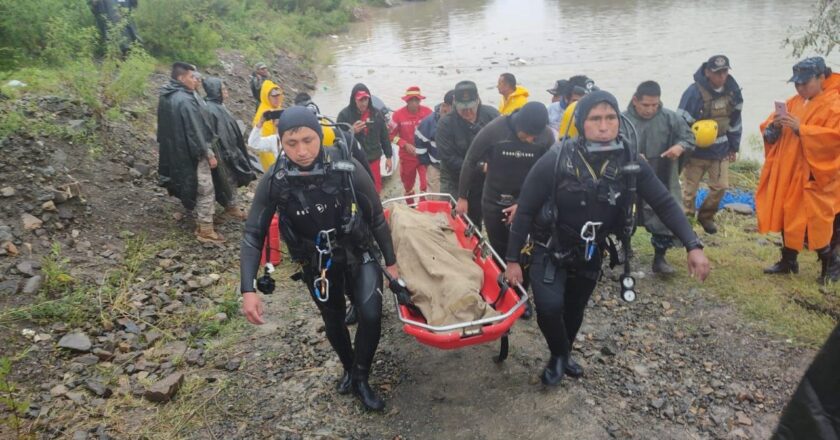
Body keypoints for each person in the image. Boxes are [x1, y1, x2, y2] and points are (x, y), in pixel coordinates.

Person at [504, 91, 710, 386]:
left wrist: (693, 245)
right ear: (580, 124)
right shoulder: (556, 160)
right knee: (549, 308)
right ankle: (559, 354)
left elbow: (664, 202)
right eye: (595, 119)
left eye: (610, 118)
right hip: (550, 247)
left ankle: (562, 354)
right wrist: (512, 259)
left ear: (620, 120)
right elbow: (524, 211)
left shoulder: (631, 162)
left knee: (575, 309)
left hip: (590, 249)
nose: (604, 126)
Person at [240, 107, 400, 411]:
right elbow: (252, 234)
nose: (302, 151)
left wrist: (390, 262)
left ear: (319, 135)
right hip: (317, 263)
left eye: (308, 140)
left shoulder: (345, 167)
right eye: (292, 143)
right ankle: (349, 368)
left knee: (370, 315)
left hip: (357, 251)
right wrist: (247, 289)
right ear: (281, 142)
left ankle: (362, 378)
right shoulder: (276, 180)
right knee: (334, 320)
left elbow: (376, 216)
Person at [455, 102, 555, 319]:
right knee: (500, 250)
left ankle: (521, 297)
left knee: (524, 251)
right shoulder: (495, 130)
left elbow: (551, 174)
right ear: (518, 124)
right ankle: (506, 293)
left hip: (527, 202)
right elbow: (470, 160)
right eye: (526, 135)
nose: (530, 140)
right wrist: (463, 197)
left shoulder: (545, 136)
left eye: (533, 137)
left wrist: (524, 204)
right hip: (494, 200)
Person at [757, 57, 840, 284]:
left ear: (822, 77)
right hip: (790, 171)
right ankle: (789, 261)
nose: (800, 88)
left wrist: (802, 130)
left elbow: (834, 140)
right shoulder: (794, 101)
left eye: (805, 83)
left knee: (818, 220)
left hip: (818, 176)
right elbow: (769, 131)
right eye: (797, 83)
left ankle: (831, 265)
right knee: (787, 214)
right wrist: (773, 127)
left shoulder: (835, 104)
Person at [623, 80, 695, 274]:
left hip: (661, 172)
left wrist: (680, 147)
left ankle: (660, 258)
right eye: (646, 105)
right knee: (625, 213)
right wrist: (632, 154)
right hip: (629, 175)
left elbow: (689, 137)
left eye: (655, 105)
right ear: (635, 100)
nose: (650, 110)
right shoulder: (621, 120)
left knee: (663, 215)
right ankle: (624, 248)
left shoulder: (671, 118)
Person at [157, 62, 233, 243]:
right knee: (205, 188)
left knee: (192, 184)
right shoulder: (185, 99)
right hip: (192, 152)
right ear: (181, 78)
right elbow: (195, 130)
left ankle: (200, 220)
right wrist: (208, 152)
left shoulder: (166, 95)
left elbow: (163, 128)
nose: (196, 80)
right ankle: (205, 229)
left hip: (175, 150)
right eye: (192, 77)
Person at [677, 55, 744, 234]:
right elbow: (680, 122)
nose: (721, 76)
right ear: (707, 72)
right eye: (717, 72)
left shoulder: (733, 92)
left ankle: (706, 216)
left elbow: (736, 121)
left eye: (725, 72)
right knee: (688, 191)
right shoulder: (693, 93)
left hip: (720, 150)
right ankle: (686, 223)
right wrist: (682, 147)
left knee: (721, 187)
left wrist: (733, 147)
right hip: (695, 153)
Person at [437, 80, 500, 228]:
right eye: (462, 108)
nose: (467, 112)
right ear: (454, 103)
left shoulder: (492, 116)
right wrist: (480, 167)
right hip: (454, 176)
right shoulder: (445, 124)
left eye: (471, 107)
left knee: (481, 217)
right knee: (452, 220)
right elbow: (449, 159)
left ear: (477, 100)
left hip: (485, 177)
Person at [201, 77, 258, 217]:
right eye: (223, 89)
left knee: (229, 178)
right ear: (216, 91)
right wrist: (226, 152)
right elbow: (215, 133)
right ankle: (231, 206)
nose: (226, 91)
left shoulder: (218, 106)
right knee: (227, 179)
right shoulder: (210, 108)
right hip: (222, 152)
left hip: (228, 149)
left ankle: (230, 205)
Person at [337, 83, 393, 194]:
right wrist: (351, 131)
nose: (363, 103)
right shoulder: (344, 115)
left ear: (369, 99)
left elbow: (384, 136)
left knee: (376, 187)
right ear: (354, 100)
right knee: (358, 188)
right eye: (360, 100)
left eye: (365, 100)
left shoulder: (376, 114)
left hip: (374, 158)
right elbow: (337, 138)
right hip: (355, 160)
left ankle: (377, 208)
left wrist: (388, 157)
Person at [390, 86, 433, 202]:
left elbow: (435, 132)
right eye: (411, 100)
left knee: (425, 184)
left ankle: (424, 207)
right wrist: (403, 144)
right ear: (406, 101)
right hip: (407, 157)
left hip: (424, 155)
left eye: (416, 100)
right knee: (408, 186)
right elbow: (390, 136)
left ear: (420, 100)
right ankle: (411, 207)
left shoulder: (428, 112)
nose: (414, 103)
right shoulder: (397, 115)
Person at [414, 90, 454, 194]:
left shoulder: (461, 120)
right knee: (436, 198)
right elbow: (420, 146)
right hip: (435, 167)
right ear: (445, 106)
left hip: (454, 168)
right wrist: (428, 165)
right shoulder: (428, 123)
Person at [249, 80, 284, 171]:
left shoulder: (276, 108)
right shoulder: (264, 115)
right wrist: (275, 166)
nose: (277, 98)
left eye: (278, 95)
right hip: (271, 155)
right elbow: (264, 145)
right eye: (274, 96)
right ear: (267, 97)